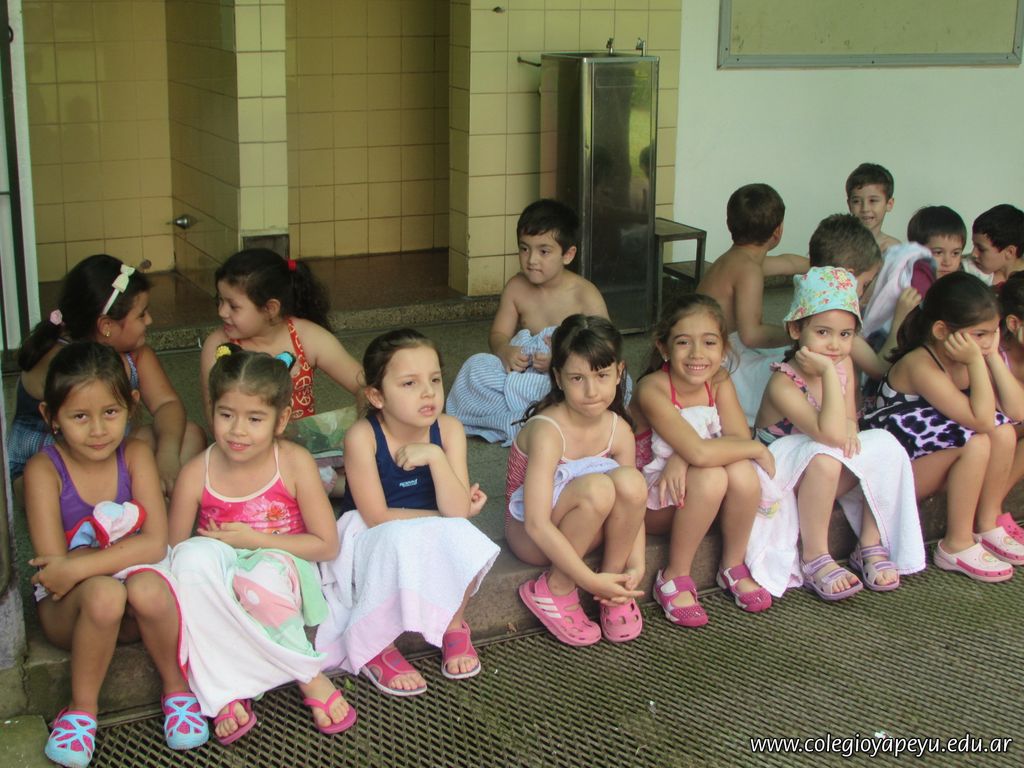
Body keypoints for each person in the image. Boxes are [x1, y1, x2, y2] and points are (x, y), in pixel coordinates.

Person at [24, 341, 206, 767]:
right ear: (51, 417)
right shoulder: (44, 471)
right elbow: (55, 573)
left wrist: (80, 565)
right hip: (73, 610)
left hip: (134, 604)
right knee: (106, 594)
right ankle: (81, 711)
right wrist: (87, 569)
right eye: (79, 417)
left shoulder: (136, 455)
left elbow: (155, 543)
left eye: (110, 412)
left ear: (132, 405)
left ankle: (177, 690)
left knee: (149, 589)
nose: (98, 430)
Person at [169, 349, 355, 745]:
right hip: (222, 583)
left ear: (280, 420)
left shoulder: (293, 462)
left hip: (280, 569)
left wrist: (254, 540)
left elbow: (327, 545)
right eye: (226, 415)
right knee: (190, 558)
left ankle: (307, 674)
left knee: (259, 576)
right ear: (211, 410)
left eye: (254, 419)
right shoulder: (195, 473)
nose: (238, 430)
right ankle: (225, 689)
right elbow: (174, 555)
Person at [316, 329, 499, 696]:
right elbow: (376, 516)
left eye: (435, 380)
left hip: (430, 522)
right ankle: (377, 644)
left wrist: (434, 457)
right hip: (374, 532)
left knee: (467, 537)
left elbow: (457, 511)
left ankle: (453, 624)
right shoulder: (363, 436)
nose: (428, 392)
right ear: (376, 396)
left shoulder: (449, 429)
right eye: (410, 383)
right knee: (406, 538)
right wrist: (447, 518)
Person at [751, 268, 926, 600]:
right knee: (825, 459)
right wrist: (830, 374)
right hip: (780, 476)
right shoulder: (784, 382)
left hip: (821, 466)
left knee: (885, 446)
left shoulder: (843, 365)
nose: (834, 344)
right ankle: (815, 555)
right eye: (822, 332)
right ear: (795, 329)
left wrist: (846, 414)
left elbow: (848, 423)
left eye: (845, 334)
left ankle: (870, 542)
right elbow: (829, 434)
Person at [862, 272, 1024, 581]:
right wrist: (978, 361)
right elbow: (980, 420)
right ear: (941, 331)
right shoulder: (920, 364)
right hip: (894, 475)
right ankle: (956, 543)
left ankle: (987, 521)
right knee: (978, 441)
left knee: (1003, 432)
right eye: (980, 334)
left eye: (993, 333)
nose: (989, 342)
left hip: (935, 460)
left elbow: (1014, 413)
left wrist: (988, 356)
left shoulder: (968, 357)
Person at [632, 295, 775, 627]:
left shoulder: (719, 380)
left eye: (709, 342)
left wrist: (683, 458)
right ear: (664, 348)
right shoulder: (652, 388)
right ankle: (674, 575)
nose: (697, 354)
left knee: (740, 472)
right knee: (715, 475)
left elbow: (735, 438)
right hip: (654, 500)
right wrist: (755, 449)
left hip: (697, 494)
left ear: (723, 347)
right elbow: (705, 450)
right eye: (684, 342)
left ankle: (732, 565)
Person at [10, 254, 205, 493]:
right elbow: (84, 440)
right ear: (106, 326)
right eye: (141, 314)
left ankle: (144, 500)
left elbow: (167, 403)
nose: (149, 320)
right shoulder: (65, 362)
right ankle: (141, 499)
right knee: (57, 482)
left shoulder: (136, 354)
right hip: (57, 459)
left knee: (189, 435)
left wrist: (167, 455)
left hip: (108, 446)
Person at [507, 315, 647, 646]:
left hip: (589, 526)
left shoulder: (619, 429)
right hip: (533, 538)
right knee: (599, 487)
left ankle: (614, 589)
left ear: (620, 372)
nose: (591, 391)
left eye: (602, 375)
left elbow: (635, 503)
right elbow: (536, 524)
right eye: (577, 378)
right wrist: (589, 580)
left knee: (631, 481)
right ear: (558, 377)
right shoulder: (547, 431)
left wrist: (636, 566)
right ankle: (556, 587)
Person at [199, 249, 363, 493]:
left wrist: (363, 434)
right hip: (245, 451)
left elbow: (366, 385)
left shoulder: (306, 336)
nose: (222, 312)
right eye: (220, 301)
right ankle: (334, 487)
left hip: (302, 450)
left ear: (270, 308)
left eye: (233, 306)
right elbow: (214, 415)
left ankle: (333, 484)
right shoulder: (219, 346)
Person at [446, 199, 610, 445]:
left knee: (600, 385)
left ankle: (540, 419)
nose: (531, 259)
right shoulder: (516, 287)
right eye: (524, 249)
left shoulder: (585, 294)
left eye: (544, 251)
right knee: (475, 366)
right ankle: (525, 418)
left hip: (565, 377)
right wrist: (504, 350)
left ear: (568, 255)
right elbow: (498, 334)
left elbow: (604, 349)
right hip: (523, 373)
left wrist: (560, 362)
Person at [697, 183, 808, 424]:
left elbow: (788, 263)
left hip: (715, 344)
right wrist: (796, 334)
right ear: (778, 231)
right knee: (792, 363)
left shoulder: (735, 259)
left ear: (729, 224)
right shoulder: (749, 269)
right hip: (718, 358)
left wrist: (822, 264)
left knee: (781, 351)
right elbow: (752, 334)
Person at [996, 273, 1024, 535]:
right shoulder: (994, 352)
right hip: (987, 434)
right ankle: (991, 509)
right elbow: (1016, 411)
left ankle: (993, 504)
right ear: (1015, 323)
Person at [845, 162, 900, 253]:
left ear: (889, 204)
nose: (865, 209)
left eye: (873, 200)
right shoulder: (839, 246)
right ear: (849, 204)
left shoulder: (895, 249)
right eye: (856, 201)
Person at [965, 204, 1024, 287]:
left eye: (981, 249)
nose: (973, 254)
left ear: (1009, 252)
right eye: (973, 245)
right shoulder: (967, 269)